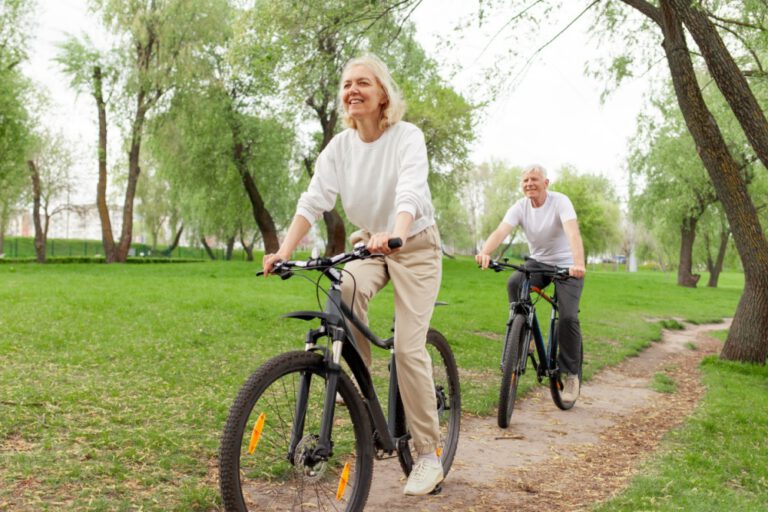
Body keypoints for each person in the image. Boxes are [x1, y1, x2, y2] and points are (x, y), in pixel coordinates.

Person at [262, 54, 444, 496]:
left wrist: (397, 233)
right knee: (341, 291)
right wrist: (284, 251)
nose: (352, 91)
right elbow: (313, 201)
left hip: (413, 246)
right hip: (369, 244)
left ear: (382, 94)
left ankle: (428, 454)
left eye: (363, 82)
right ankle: (367, 406)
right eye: (346, 84)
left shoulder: (406, 137)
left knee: (407, 346)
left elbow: (411, 190)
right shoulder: (340, 148)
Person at [475, 164, 586, 402]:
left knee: (567, 316)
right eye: (525, 180)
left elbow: (573, 233)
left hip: (567, 265)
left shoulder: (560, 202)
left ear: (546, 183)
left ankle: (571, 375)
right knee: (514, 283)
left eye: (534, 179)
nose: (529, 184)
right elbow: (500, 231)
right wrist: (485, 252)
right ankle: (528, 336)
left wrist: (578, 264)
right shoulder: (520, 207)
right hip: (539, 262)